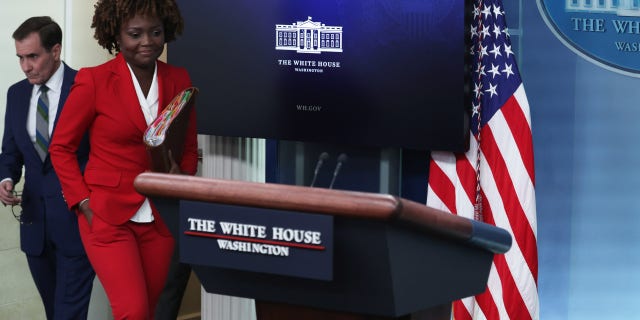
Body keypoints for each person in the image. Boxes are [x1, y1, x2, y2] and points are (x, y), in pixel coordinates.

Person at [49, 0, 199, 318]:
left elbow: (187, 146)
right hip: (106, 214)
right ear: (116, 34)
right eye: (135, 33)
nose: (147, 42)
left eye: (155, 32)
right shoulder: (94, 80)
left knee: (149, 308)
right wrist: (82, 203)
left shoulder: (179, 78)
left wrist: (183, 179)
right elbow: (61, 147)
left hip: (160, 216)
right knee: (132, 310)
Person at [0, 16, 95, 319]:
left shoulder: (86, 87)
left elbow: (100, 153)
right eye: (20, 57)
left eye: (32, 56)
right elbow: (11, 151)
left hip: (77, 223)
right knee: (54, 312)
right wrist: (5, 177)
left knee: (69, 314)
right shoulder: (16, 93)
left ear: (55, 51)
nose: (25, 66)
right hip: (35, 226)